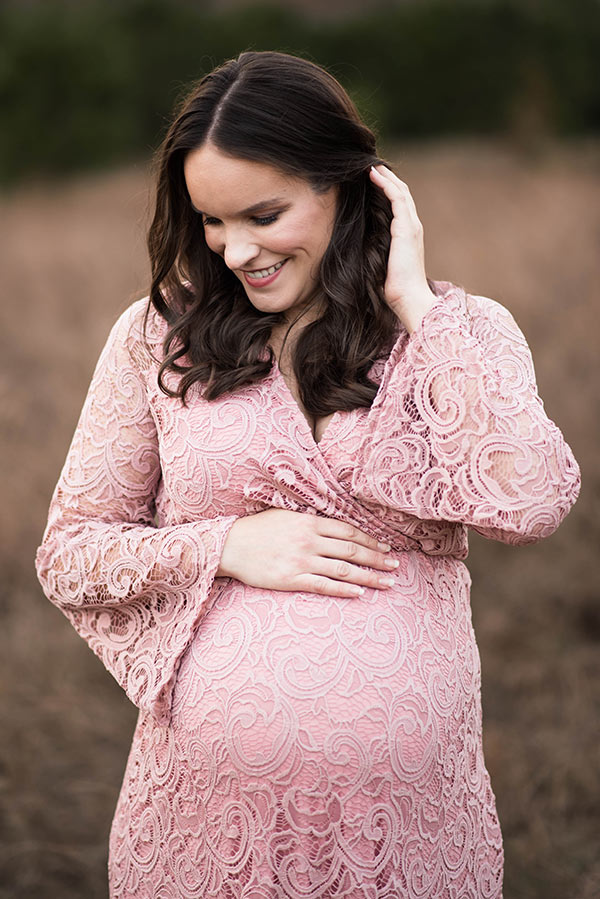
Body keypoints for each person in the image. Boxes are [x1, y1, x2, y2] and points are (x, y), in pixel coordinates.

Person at [35, 50, 580, 898]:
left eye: (263, 213)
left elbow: (531, 499)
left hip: (404, 834)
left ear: (346, 185)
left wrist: (415, 305)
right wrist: (223, 544)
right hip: (207, 831)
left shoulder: (456, 334)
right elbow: (69, 551)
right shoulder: (157, 340)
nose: (236, 250)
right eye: (212, 222)